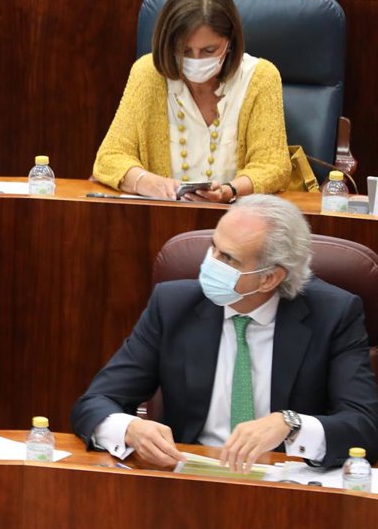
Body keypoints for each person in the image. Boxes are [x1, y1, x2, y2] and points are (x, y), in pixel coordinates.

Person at [72, 195, 378, 471]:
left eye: (227, 258)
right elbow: (96, 401)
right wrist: (130, 429)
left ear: (269, 278)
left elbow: (365, 427)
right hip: (191, 477)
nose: (210, 263)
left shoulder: (333, 314)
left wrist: (292, 425)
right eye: (213, 247)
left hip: (287, 486)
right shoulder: (173, 305)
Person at [93, 0, 290, 202]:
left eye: (208, 50)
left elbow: (274, 167)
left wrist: (229, 191)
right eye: (185, 50)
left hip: (239, 217)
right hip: (161, 214)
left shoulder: (261, 77)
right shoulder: (148, 73)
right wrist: (148, 182)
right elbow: (109, 158)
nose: (196, 60)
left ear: (230, 42)